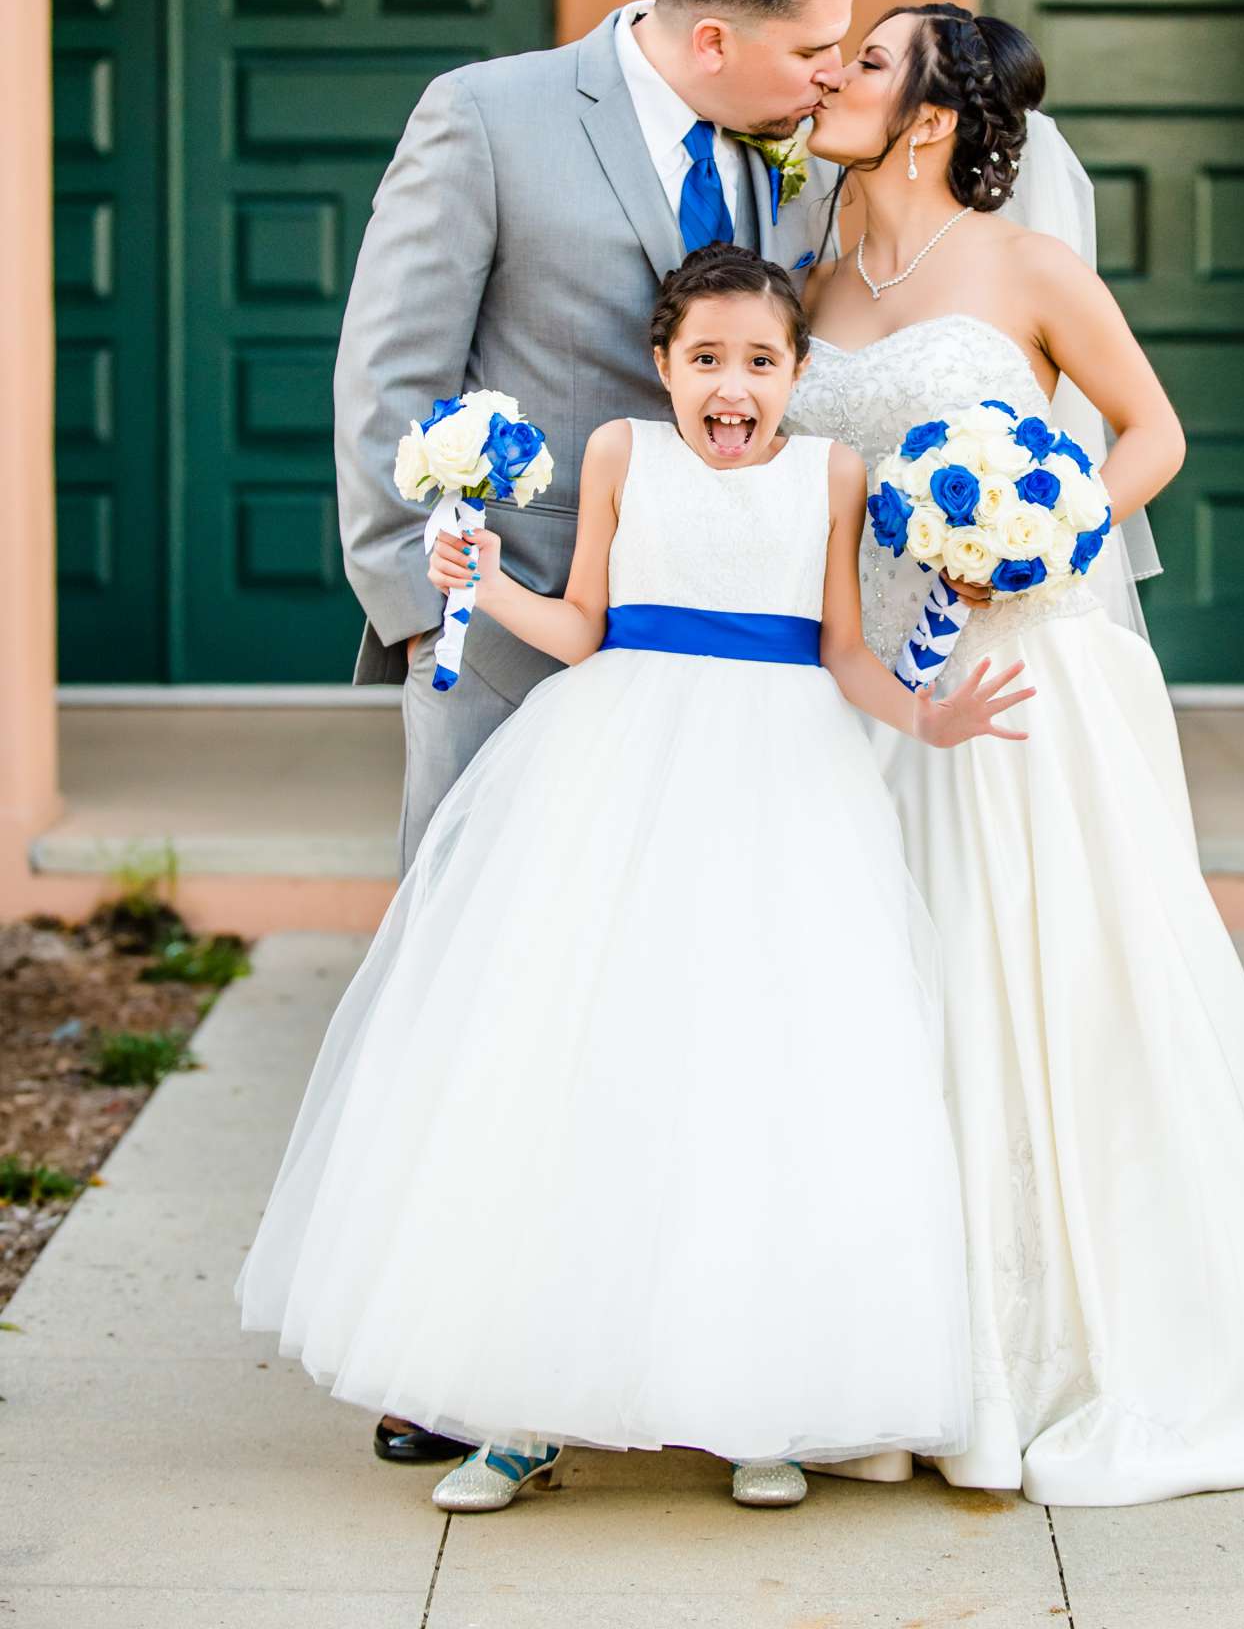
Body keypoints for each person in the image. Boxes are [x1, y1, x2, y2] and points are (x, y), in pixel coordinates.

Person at [239, 247, 1033, 1513]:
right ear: (663, 365)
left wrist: (926, 716)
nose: (732, 387)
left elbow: (841, 647)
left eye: (760, 363)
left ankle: (757, 1403)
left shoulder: (831, 477)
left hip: (784, 783)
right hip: (616, 763)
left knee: (765, 1070)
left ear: (796, 375)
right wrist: (487, 578)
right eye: (705, 359)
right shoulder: (621, 453)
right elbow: (584, 625)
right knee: (579, 1060)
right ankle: (522, 1408)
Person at [786, 3, 1244, 1506]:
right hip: (859, 692)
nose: (832, 75)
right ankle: (891, 1351)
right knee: (887, 997)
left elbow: (1151, 432)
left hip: (1018, 679)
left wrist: (1049, 529)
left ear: (929, 117)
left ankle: (1050, 1351)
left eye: (865, 62)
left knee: (1031, 990)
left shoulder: (1029, 268)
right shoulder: (811, 279)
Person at [332, 0, 857, 1466]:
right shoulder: (487, 117)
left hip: (732, 652)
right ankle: (441, 1355)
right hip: (516, 625)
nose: (831, 81)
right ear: (714, 38)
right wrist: (421, 604)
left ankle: (653, 1325)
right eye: (812, 55)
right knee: (479, 983)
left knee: (688, 991)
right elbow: (393, 367)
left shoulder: (797, 161)